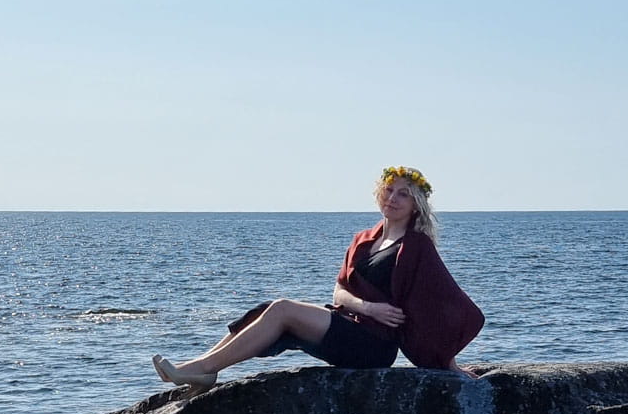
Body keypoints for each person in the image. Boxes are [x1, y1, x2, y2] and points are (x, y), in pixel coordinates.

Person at [152, 166, 484, 395]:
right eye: (389, 190)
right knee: (267, 310)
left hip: (374, 345)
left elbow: (441, 302)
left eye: (403, 195)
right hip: (350, 324)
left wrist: (448, 362)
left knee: (283, 309)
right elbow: (339, 292)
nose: (392, 198)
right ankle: (204, 369)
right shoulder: (363, 240)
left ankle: (201, 368)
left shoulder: (416, 246)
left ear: (416, 206)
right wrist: (368, 306)